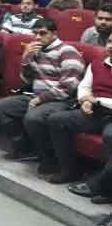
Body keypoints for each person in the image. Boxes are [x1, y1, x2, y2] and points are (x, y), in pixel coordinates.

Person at [0, 19, 85, 168]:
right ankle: (24, 149)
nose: (38, 37)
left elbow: (69, 86)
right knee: (1, 107)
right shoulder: (36, 50)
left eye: (42, 33)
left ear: (54, 33)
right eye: (35, 33)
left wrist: (41, 99)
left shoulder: (68, 52)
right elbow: (27, 80)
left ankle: (49, 158)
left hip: (61, 100)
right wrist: (25, 59)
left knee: (33, 117)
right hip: (36, 95)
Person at [48, 34, 112, 185]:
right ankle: (70, 171)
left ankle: (104, 185)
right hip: (95, 112)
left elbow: (96, 99)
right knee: (57, 120)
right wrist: (84, 100)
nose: (111, 46)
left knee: (110, 136)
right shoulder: (97, 63)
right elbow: (84, 87)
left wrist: (96, 101)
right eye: (110, 41)